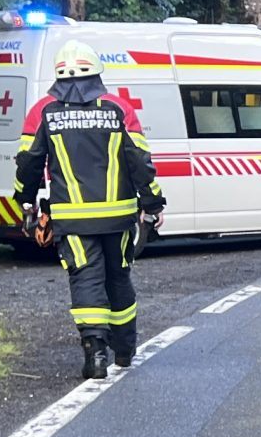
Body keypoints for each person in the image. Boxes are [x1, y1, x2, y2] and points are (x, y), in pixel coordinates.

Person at [13, 38, 164, 379]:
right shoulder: (119, 109)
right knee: (118, 278)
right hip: (118, 217)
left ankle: (95, 355)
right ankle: (124, 350)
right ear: (97, 71)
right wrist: (152, 205)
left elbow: (28, 164)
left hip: (72, 219)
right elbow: (140, 161)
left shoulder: (43, 111)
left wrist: (26, 203)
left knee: (86, 280)